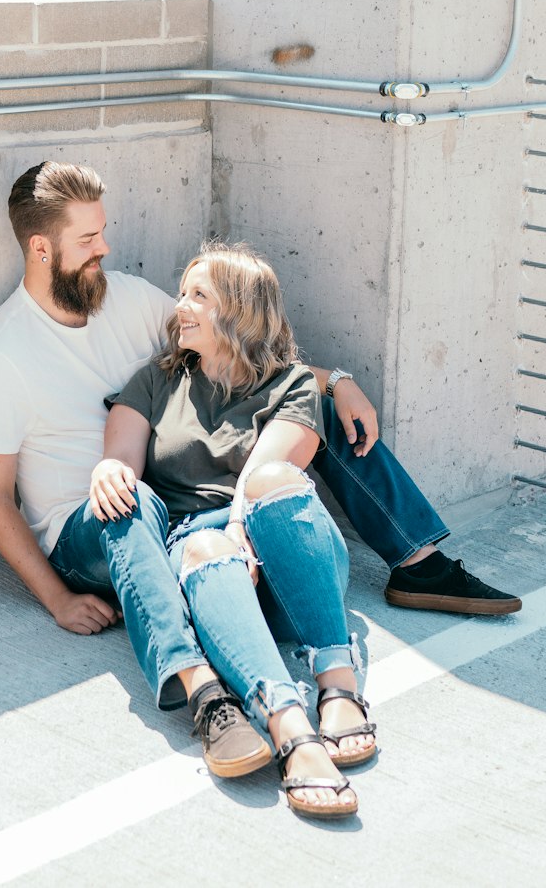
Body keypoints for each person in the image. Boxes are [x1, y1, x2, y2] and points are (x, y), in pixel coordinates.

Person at [0, 164, 520, 770]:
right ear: (41, 248)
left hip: (164, 501)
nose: (106, 250)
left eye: (103, 233)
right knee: (136, 500)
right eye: (88, 241)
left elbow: (239, 349)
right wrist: (57, 599)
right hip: (91, 525)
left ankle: (417, 563)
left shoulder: (124, 298)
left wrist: (337, 382)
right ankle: (203, 688)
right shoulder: (3, 356)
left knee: (311, 405)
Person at [92, 241, 373, 818]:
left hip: (287, 560)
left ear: (241, 312)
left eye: (199, 295)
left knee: (272, 481)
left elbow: (261, 478)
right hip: (208, 568)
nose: (181, 307)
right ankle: (292, 728)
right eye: (182, 293)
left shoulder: (292, 383)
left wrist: (241, 535)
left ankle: (338, 683)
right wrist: (107, 470)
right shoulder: (158, 379)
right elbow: (122, 457)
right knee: (203, 543)